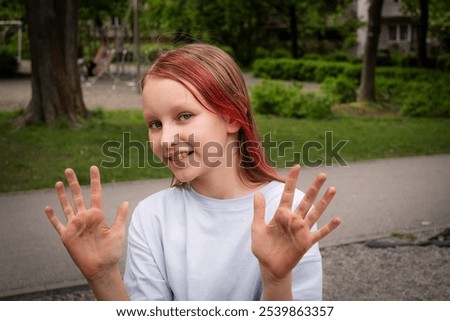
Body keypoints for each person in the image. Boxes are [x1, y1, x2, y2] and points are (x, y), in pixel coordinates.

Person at [45, 43, 341, 301]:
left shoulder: (286, 214)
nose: (167, 138)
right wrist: (102, 276)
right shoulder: (153, 218)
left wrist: (276, 280)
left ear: (231, 117)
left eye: (184, 116)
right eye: (155, 124)